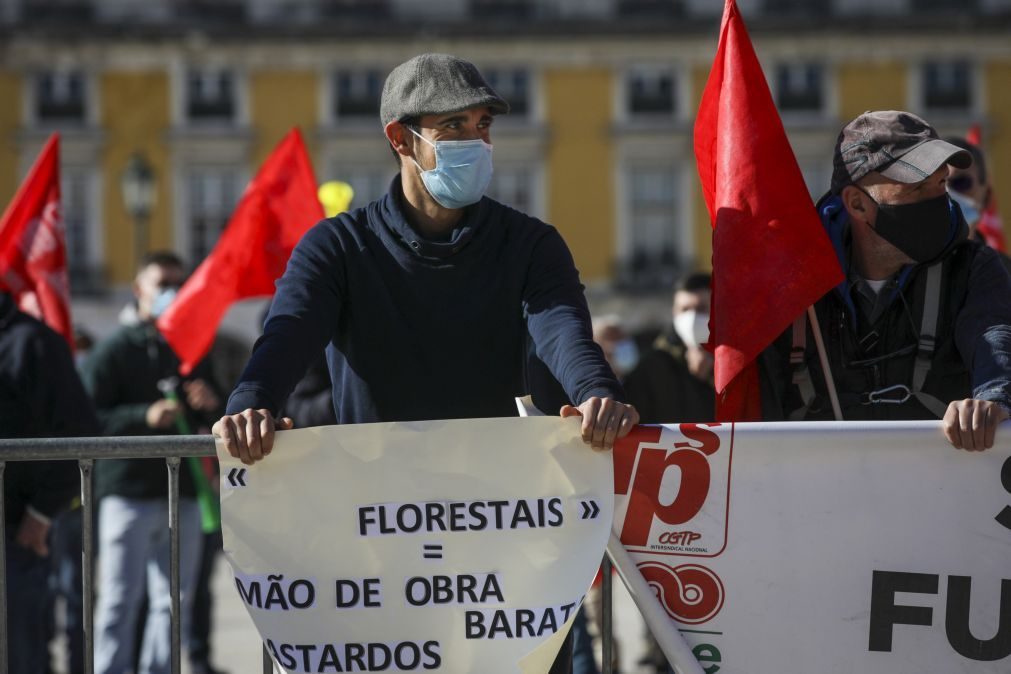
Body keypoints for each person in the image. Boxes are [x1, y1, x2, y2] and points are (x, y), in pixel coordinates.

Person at [213, 53, 638, 673]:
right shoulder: (337, 247)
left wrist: (597, 390)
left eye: (483, 125)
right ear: (400, 140)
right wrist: (251, 401)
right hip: (382, 542)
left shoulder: (530, 244)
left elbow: (563, 331)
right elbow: (287, 335)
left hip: (503, 533)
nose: (477, 141)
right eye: (455, 127)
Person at [760, 110, 1011, 451]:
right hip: (817, 494)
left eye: (939, 183)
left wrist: (994, 398)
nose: (936, 200)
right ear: (857, 204)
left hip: (938, 494)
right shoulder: (791, 285)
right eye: (916, 187)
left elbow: (993, 335)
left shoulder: (975, 268)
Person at [82, 251, 224, 674]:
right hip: (127, 493)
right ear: (138, 289)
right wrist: (142, 417)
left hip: (182, 494)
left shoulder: (190, 347)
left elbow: (217, 413)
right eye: (161, 284)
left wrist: (209, 404)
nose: (171, 293)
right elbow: (88, 417)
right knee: (118, 600)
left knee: (174, 602)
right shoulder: (113, 349)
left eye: (177, 284)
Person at [0, 290, 99, 673]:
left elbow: (80, 432)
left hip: (15, 533)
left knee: (21, 651)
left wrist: (40, 514)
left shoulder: (35, 342)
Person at [624, 272, 715, 424]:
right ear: (674, 312)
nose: (692, 317)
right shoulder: (652, 365)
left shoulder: (741, 362)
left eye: (701, 308)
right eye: (684, 309)